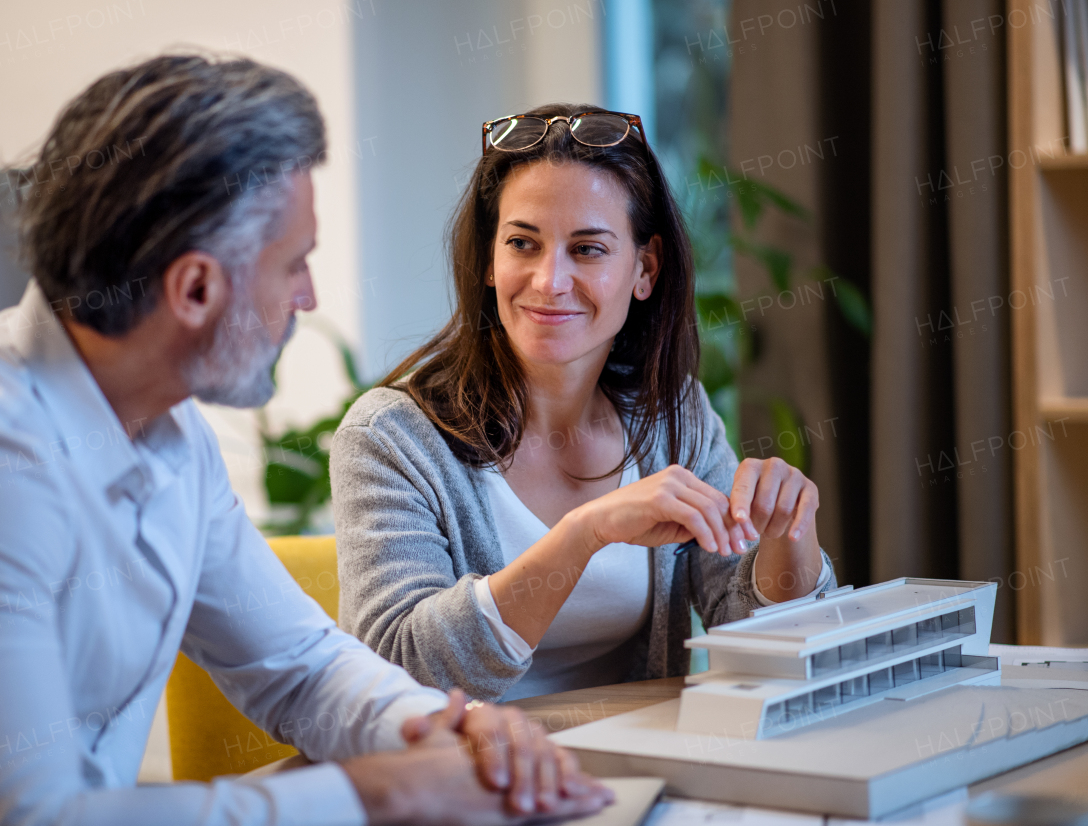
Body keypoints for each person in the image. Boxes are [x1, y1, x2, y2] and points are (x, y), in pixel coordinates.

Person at [0, 58, 613, 826]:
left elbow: (296, 663)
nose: (309, 295)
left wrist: (442, 730)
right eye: (293, 264)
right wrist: (379, 796)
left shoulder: (164, 426)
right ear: (194, 288)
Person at [332, 105, 838, 703]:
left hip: (638, 772)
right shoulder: (390, 439)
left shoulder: (671, 416)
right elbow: (397, 668)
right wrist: (585, 533)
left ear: (644, 269)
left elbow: (755, 630)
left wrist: (789, 533)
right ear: (489, 263)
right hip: (463, 780)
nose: (549, 280)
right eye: (522, 243)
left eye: (588, 249)